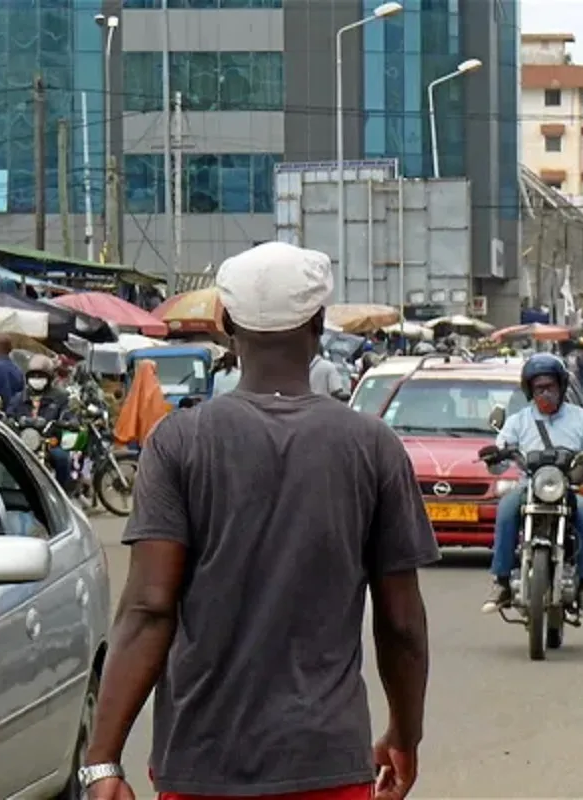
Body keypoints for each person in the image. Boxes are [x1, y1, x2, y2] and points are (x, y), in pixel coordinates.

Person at [80, 241, 440, 800]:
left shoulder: (178, 443)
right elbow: (400, 623)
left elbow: (149, 609)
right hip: (327, 761)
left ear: (225, 323)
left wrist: (103, 761)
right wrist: (405, 735)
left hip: (199, 763)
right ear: (319, 322)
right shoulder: (373, 447)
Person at [481, 353, 583, 620]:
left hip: (568, 488)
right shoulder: (518, 421)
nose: (545, 393)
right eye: (539, 388)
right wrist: (494, 457)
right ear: (529, 390)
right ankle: (500, 582)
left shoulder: (582, 420)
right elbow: (500, 456)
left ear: (561, 387)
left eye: (550, 387)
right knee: (506, 509)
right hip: (529, 487)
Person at [9, 354, 76, 490]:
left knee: (63, 458)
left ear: (49, 378)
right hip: (23, 443)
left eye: (41, 376)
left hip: (49, 442)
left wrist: (68, 421)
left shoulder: (60, 396)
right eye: (34, 376)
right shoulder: (19, 397)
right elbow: (9, 413)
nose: (37, 379)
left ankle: (62, 493)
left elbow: (68, 414)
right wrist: (9, 420)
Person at [114, 360, 171, 448]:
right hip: (153, 433)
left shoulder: (136, 388)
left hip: (136, 435)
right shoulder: (155, 388)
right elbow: (158, 410)